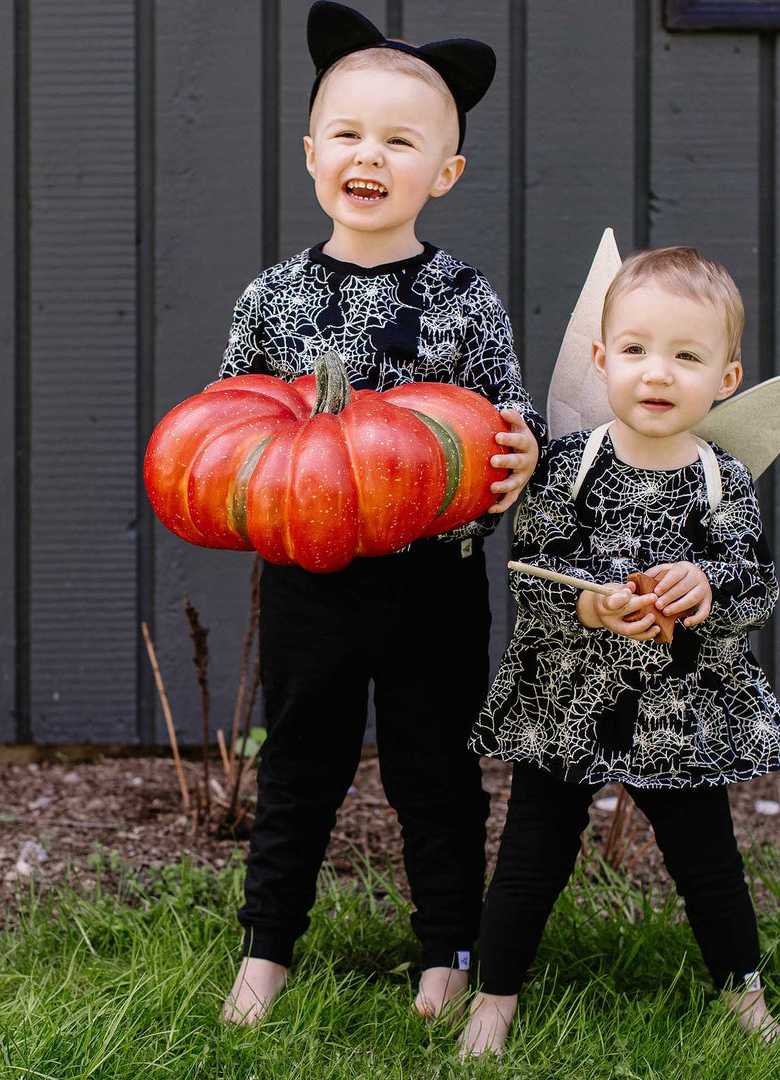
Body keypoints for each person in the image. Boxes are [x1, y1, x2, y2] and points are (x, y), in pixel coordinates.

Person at [218, 2, 544, 1025]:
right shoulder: (272, 298)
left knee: (435, 770)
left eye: (401, 142)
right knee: (298, 766)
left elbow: (509, 415)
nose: (370, 156)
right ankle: (266, 951)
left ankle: (448, 950)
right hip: (309, 575)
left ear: (444, 173)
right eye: (349, 134)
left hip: (433, 580)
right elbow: (230, 427)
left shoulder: (462, 296)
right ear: (313, 153)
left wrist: (523, 449)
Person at [462, 246, 780, 1056]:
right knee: (531, 854)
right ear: (602, 359)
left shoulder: (723, 480)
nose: (658, 372)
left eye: (687, 356)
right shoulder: (568, 469)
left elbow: (756, 584)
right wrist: (589, 601)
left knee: (708, 861)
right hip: (566, 701)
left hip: (678, 709)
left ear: (726, 378)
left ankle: (746, 1000)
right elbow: (530, 573)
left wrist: (707, 586)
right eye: (637, 349)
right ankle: (492, 1002)